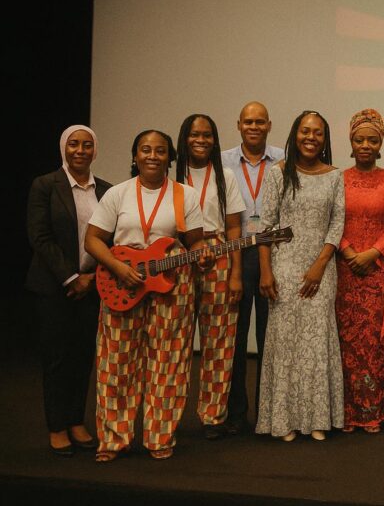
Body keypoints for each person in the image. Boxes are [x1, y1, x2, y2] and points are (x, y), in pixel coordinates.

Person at [85, 130, 211, 462]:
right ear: (135, 156)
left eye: (160, 151)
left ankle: (160, 438)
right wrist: (118, 267)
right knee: (116, 364)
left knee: (169, 363)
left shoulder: (184, 195)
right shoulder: (118, 193)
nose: (153, 156)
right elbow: (93, 239)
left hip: (171, 285)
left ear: (169, 158)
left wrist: (203, 254)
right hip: (122, 282)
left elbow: (196, 241)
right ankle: (114, 440)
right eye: (145, 150)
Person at [257, 110, 345, 442]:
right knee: (286, 343)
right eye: (305, 131)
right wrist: (266, 271)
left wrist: (320, 264)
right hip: (284, 267)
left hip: (321, 270)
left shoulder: (335, 176)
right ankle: (285, 420)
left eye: (318, 132)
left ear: (325, 139)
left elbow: (336, 224)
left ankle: (318, 419)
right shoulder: (278, 173)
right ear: (295, 135)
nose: (311, 137)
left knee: (317, 342)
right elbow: (265, 227)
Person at [26, 125, 111, 457]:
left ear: (95, 150)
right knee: (57, 359)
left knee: (83, 357)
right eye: (74, 144)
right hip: (54, 288)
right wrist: (71, 277)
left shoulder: (106, 190)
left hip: (93, 286)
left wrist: (90, 278)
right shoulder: (45, 185)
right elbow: (40, 237)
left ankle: (76, 420)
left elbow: (111, 241)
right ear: (64, 148)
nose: (80, 150)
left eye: (87, 145)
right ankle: (57, 426)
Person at [176, 114, 246, 440]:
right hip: (178, 257)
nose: (200, 140)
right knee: (176, 341)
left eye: (207, 135)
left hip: (219, 256)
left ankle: (212, 416)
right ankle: (170, 415)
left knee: (218, 341)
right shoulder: (172, 174)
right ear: (184, 138)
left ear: (215, 140)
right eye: (194, 134)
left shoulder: (224, 175)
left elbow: (233, 228)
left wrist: (235, 274)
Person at [336, 108, 384, 433]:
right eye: (359, 140)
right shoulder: (338, 179)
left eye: (372, 140)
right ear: (351, 142)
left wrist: (372, 252)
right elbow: (332, 221)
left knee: (374, 345)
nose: (365, 145)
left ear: (380, 145)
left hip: (378, 271)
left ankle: (372, 412)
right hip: (344, 271)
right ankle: (346, 413)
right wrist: (350, 252)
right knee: (345, 342)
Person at [221, 101, 285, 434]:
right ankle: (236, 413)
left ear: (269, 125)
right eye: (249, 122)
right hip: (237, 254)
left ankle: (266, 412)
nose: (254, 127)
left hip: (273, 255)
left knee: (269, 339)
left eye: (260, 122)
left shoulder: (284, 161)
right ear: (239, 125)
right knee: (235, 338)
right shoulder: (223, 162)